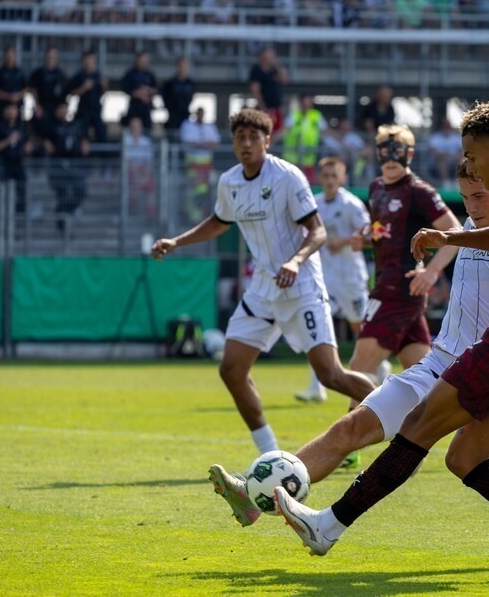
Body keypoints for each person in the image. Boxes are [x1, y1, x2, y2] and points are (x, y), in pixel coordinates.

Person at [209, 160, 489, 569]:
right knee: (350, 428)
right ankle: (256, 494)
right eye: (465, 198)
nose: (470, 208)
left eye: (478, 197)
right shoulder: (473, 231)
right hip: (441, 364)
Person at [275, 100, 489, 582]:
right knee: (464, 456)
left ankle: (328, 526)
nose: (468, 167)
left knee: (419, 424)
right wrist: (448, 238)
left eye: (472, 156)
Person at [150, 109, 377, 454]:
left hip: (301, 286)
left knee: (331, 376)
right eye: (240, 137)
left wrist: (295, 261)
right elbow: (218, 221)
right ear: (233, 142)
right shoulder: (230, 182)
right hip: (263, 289)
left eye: (254, 137)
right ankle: (270, 454)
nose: (246, 143)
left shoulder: (287, 176)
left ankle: (401, 415)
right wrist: (177, 241)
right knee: (231, 369)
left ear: (267, 141)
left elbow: (317, 231)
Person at [347, 124, 460, 396]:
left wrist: (431, 272)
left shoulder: (417, 190)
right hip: (389, 285)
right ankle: (443, 426)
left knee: (359, 368)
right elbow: (386, 232)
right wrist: (365, 238)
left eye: (397, 151)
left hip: (399, 288)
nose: (390, 158)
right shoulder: (376, 188)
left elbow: (455, 231)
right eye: (384, 151)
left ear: (408, 155)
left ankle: (353, 434)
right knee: (425, 379)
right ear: (377, 154)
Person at [295, 156, 374, 403]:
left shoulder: (351, 204)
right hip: (323, 277)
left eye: (334, 176)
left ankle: (376, 367)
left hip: (350, 277)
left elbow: (369, 232)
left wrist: (345, 240)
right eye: (325, 176)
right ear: (320, 178)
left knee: (359, 327)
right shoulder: (314, 204)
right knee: (317, 327)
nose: (329, 181)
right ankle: (316, 386)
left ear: (342, 178)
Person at [43, 100, 90, 234]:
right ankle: (61, 222)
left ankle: (63, 211)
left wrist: (85, 142)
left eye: (65, 109)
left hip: (74, 165)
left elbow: (83, 137)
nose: (63, 112)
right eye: (61, 109)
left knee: (81, 192)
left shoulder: (75, 126)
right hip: (57, 167)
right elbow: (40, 139)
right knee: (63, 194)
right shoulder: (50, 126)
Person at [0, 102, 31, 212]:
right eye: (9, 109)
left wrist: (27, 148)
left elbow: (26, 145)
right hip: (3, 162)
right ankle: (3, 209)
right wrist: (8, 140)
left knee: (22, 185)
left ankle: (20, 210)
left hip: (18, 162)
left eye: (14, 109)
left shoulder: (21, 128)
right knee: (3, 186)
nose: (11, 112)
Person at [179, 107, 220, 221]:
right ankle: (191, 215)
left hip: (206, 164)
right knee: (191, 190)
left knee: (205, 191)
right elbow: (188, 142)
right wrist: (204, 145)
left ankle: (203, 214)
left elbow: (215, 143)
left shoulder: (210, 127)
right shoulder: (187, 125)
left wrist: (199, 145)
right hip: (192, 164)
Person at [66, 51, 108, 146]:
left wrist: (104, 86)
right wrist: (83, 88)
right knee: (81, 136)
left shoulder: (98, 76)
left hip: (96, 110)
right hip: (83, 111)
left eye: (92, 61)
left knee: (102, 133)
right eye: (88, 60)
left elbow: (103, 93)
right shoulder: (79, 76)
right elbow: (70, 93)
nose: (90, 63)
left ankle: (104, 158)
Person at [281, 93, 325, 181]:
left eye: (308, 102)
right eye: (304, 103)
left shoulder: (316, 115)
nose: (306, 105)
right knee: (291, 182)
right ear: (301, 104)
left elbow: (326, 131)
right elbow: (283, 130)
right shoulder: (294, 115)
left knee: (309, 183)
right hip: (291, 158)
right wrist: (271, 140)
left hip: (309, 158)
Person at [28, 46, 67, 142]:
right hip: (42, 106)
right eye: (49, 57)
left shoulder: (61, 75)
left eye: (53, 57)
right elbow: (32, 90)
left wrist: (62, 108)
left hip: (55, 109)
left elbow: (65, 95)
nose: (51, 59)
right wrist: (37, 105)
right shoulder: (38, 74)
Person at [248, 47, 288, 136]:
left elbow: (285, 80)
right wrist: (263, 108)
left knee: (277, 132)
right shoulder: (256, 70)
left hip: (276, 109)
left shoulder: (274, 70)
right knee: (262, 132)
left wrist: (278, 66)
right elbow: (255, 90)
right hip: (264, 109)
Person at [122, 117, 155, 219]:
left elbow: (149, 162)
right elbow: (128, 161)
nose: (136, 129)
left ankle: (150, 214)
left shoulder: (146, 141)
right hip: (130, 171)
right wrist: (136, 176)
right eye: (134, 127)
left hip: (143, 171)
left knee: (151, 185)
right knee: (131, 184)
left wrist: (144, 176)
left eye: (138, 126)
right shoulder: (126, 140)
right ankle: (133, 211)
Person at [121, 51, 157, 130]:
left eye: (146, 61)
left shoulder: (150, 75)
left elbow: (156, 89)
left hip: (146, 108)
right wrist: (138, 93)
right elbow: (125, 88)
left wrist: (149, 91)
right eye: (142, 61)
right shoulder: (130, 74)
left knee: (147, 130)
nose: (144, 63)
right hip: (134, 108)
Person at [161, 57, 195, 133]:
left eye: (185, 67)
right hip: (172, 118)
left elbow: (191, 97)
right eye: (181, 66)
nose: (182, 69)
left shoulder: (190, 83)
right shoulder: (170, 83)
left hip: (185, 117)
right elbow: (165, 98)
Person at [0, 46, 27, 116]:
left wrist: (17, 96)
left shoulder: (20, 72)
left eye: (11, 56)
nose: (9, 58)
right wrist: (8, 96)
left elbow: (26, 88)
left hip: (17, 106)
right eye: (7, 56)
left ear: (15, 56)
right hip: (3, 106)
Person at [426, 116, 461, 188]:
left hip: (453, 162)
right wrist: (446, 155)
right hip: (437, 165)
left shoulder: (456, 138)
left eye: (448, 125)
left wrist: (456, 156)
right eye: (445, 125)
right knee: (441, 160)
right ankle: (446, 183)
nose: (447, 127)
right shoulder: (435, 137)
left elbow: (461, 151)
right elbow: (433, 151)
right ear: (442, 126)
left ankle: (457, 182)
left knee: (461, 160)